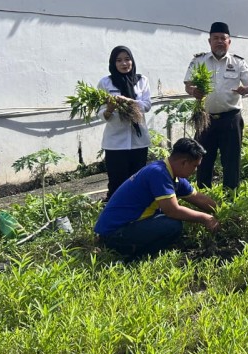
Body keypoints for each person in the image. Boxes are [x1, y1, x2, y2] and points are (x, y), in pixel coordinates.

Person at [94, 138, 219, 258]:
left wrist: (221, 210)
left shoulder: (173, 175)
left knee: (168, 221)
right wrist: (205, 218)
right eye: (195, 166)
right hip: (114, 233)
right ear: (184, 162)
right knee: (172, 225)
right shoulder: (158, 173)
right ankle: (133, 256)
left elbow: (198, 198)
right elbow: (172, 210)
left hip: (126, 227)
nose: (195, 170)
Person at [184, 22, 248, 190]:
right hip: (205, 118)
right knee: (201, 159)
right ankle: (203, 195)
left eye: (223, 38)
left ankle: (231, 197)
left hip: (231, 118)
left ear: (229, 42)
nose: (219, 41)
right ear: (209, 41)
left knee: (231, 160)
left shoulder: (238, 62)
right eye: (215, 38)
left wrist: (247, 89)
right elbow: (188, 85)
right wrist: (193, 91)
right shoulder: (199, 61)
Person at [98, 46, 151, 201]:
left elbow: (147, 105)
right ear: (113, 63)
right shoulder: (105, 83)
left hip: (138, 141)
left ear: (132, 61)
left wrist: (130, 102)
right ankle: (114, 215)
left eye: (127, 59)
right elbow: (100, 113)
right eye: (119, 60)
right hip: (115, 143)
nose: (124, 63)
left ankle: (138, 214)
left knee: (138, 180)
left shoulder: (142, 81)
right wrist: (109, 109)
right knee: (116, 182)